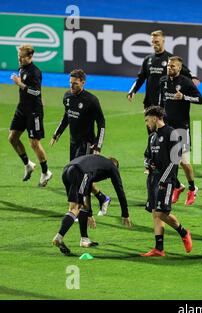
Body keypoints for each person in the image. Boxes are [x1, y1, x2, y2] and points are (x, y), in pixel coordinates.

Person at [50, 69, 111, 216]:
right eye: (70, 83)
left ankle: (79, 211)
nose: (72, 86)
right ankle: (102, 198)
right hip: (73, 143)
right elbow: (67, 116)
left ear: (83, 82)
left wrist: (98, 144)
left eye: (75, 84)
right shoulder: (67, 96)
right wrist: (57, 133)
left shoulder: (91, 100)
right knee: (78, 176)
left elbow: (101, 122)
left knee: (79, 176)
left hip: (87, 144)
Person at [52, 155, 132, 256]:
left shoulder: (97, 162)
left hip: (67, 171)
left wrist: (89, 213)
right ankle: (59, 237)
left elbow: (87, 186)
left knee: (74, 207)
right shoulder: (112, 167)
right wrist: (125, 214)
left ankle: (84, 239)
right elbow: (119, 190)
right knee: (76, 208)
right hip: (79, 172)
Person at [140, 106, 193, 257]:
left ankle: (184, 232)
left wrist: (164, 180)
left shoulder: (172, 133)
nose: (147, 123)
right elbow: (146, 155)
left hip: (166, 180)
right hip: (152, 179)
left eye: (147, 119)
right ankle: (159, 248)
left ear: (155, 118)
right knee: (155, 213)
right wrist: (147, 163)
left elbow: (175, 160)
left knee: (162, 213)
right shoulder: (152, 137)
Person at [159, 56, 202, 206]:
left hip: (181, 127)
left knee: (183, 162)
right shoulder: (163, 81)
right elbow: (161, 101)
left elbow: (200, 99)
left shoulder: (185, 82)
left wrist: (184, 97)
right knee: (164, 161)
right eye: (168, 66)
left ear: (179, 68)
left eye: (173, 66)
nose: (170, 68)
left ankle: (192, 188)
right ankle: (178, 186)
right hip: (166, 127)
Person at [8, 44, 52, 187]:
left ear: (30, 57)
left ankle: (46, 172)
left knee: (34, 143)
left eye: (22, 57)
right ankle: (28, 164)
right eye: (18, 57)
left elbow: (36, 91)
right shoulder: (21, 68)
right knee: (13, 138)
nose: (19, 60)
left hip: (34, 112)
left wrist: (20, 84)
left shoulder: (35, 72)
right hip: (22, 109)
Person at [127, 30, 199, 108]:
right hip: (149, 101)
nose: (154, 44)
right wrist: (133, 91)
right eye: (153, 42)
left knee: (163, 120)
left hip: (166, 102)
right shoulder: (148, 59)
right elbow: (140, 78)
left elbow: (184, 70)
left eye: (157, 42)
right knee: (149, 120)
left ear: (163, 41)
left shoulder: (170, 59)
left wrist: (193, 77)